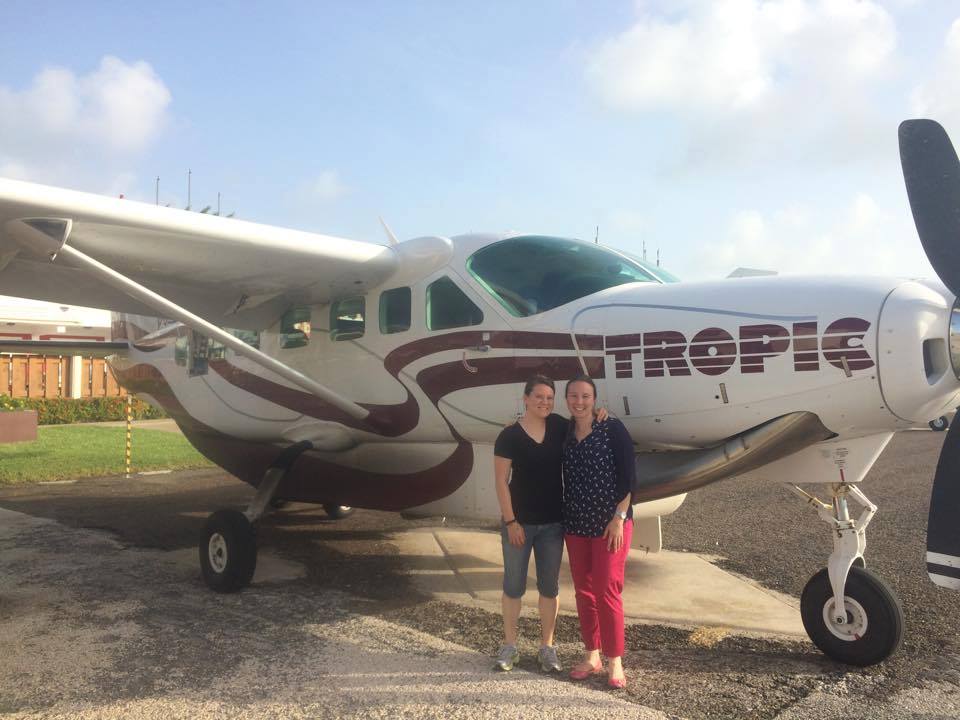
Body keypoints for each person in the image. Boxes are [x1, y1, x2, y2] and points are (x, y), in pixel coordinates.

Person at [562, 374, 635, 689]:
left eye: (585, 396)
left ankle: (614, 660)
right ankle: (591, 655)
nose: (579, 402)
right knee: (584, 592)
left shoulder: (611, 428)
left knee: (607, 591)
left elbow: (629, 477)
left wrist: (619, 517)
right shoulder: (564, 431)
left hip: (610, 524)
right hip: (576, 523)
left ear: (595, 400)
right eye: (573, 396)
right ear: (567, 399)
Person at [492, 375, 566, 673]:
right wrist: (511, 521)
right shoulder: (509, 435)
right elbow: (501, 481)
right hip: (519, 524)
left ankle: (547, 648)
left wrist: (600, 414)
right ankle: (510, 646)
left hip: (553, 524)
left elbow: (585, 422)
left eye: (549, 398)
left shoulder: (559, 426)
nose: (544, 402)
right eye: (539, 397)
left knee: (549, 587)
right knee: (513, 586)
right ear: (525, 398)